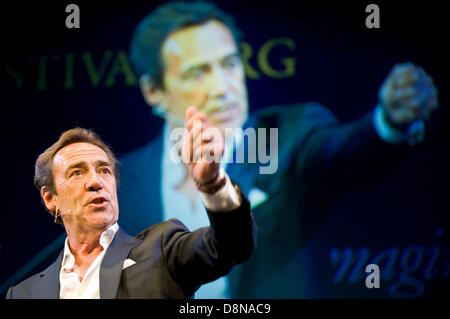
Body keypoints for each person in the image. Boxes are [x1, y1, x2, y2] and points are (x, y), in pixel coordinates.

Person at [118, 1, 439, 298]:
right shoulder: (118, 183)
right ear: (153, 91)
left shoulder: (286, 136)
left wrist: (389, 122)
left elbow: (347, 152)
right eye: (198, 73)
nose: (222, 89)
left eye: (229, 64)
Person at [6, 120, 257, 299]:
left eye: (104, 170)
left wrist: (213, 184)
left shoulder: (163, 250)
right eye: (77, 172)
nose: (96, 181)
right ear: (51, 198)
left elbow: (232, 245)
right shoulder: (24, 293)